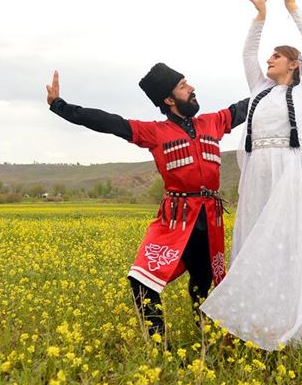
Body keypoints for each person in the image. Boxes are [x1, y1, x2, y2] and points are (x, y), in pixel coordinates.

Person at [201, 0, 302, 351]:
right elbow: (247, 55)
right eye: (270, 55)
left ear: (293, 65)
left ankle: (293, 325)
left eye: (277, 55)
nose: (269, 59)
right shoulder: (258, 90)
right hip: (257, 177)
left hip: (290, 175)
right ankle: (258, 321)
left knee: (288, 245)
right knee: (255, 244)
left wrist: (293, 9)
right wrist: (261, 18)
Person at [45, 66, 249, 340]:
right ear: (169, 99)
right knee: (140, 281)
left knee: (202, 282)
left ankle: (206, 339)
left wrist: (279, 84)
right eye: (183, 86)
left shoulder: (212, 122)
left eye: (188, 83)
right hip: (175, 220)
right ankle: (158, 344)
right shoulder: (154, 132)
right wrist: (60, 105)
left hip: (208, 221)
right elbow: (109, 122)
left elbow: (244, 107)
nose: (191, 88)